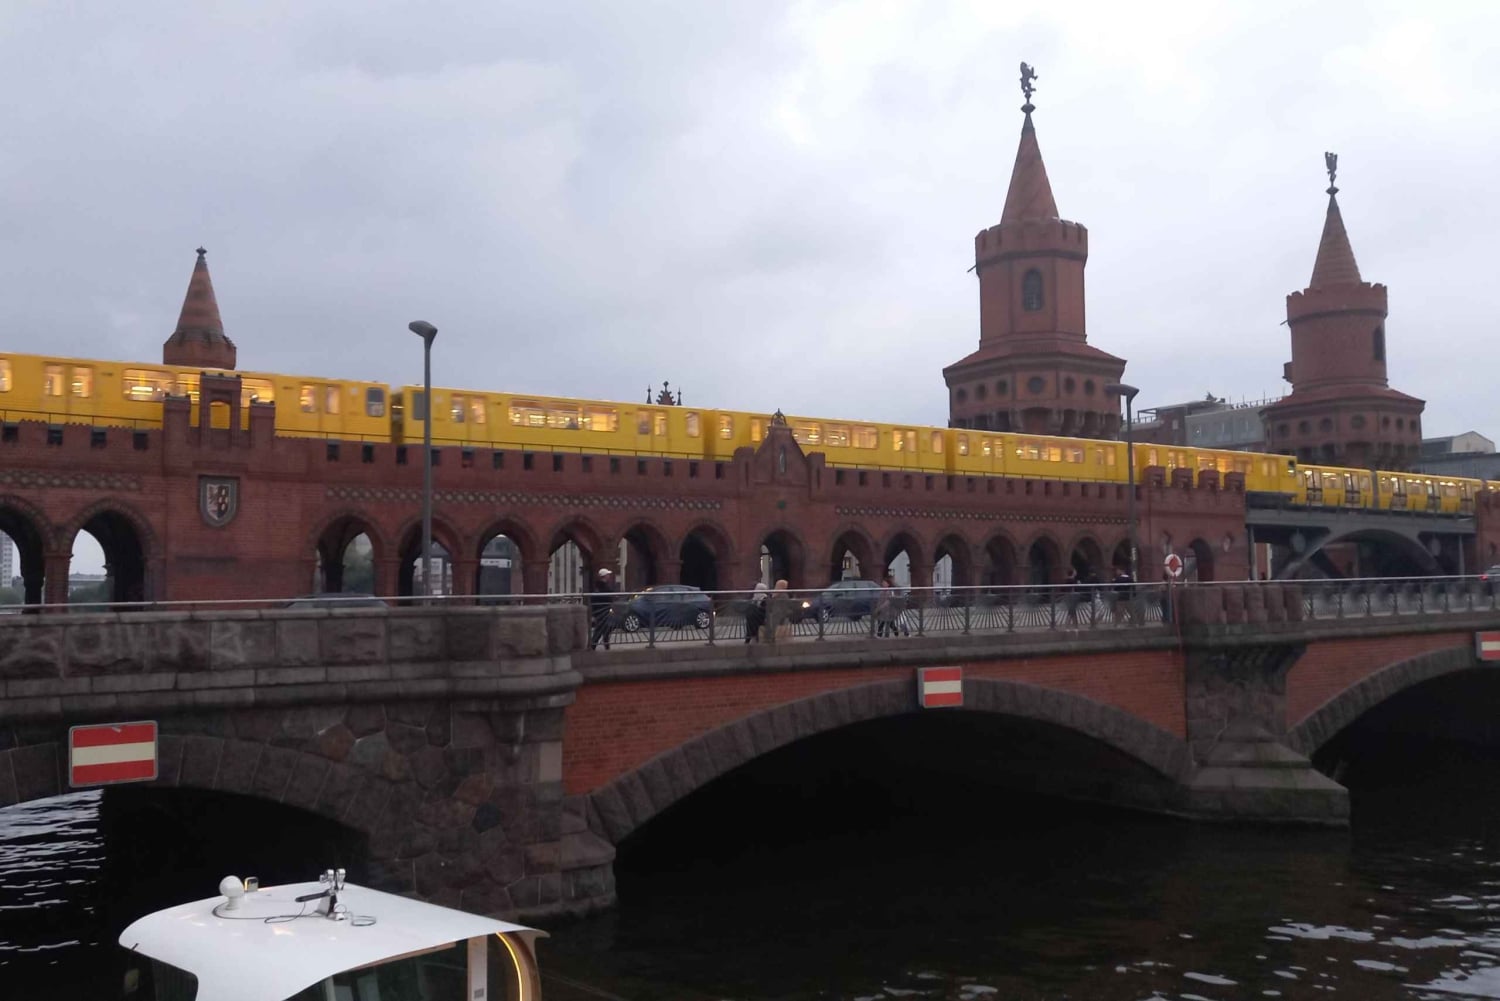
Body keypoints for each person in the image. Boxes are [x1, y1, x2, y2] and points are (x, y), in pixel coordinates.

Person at [588, 568, 620, 650]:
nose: (609, 576)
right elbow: (607, 596)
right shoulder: (602, 586)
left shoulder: (599, 586)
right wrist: (612, 597)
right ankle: (593, 646)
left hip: (601, 610)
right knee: (600, 629)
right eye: (608, 575)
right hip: (602, 610)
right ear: (605, 576)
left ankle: (604, 645)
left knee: (604, 629)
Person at [744, 577, 770, 643]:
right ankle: (750, 636)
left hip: (763, 617)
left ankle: (750, 636)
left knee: (751, 616)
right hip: (758, 617)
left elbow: (764, 611)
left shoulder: (765, 599)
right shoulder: (756, 598)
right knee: (750, 616)